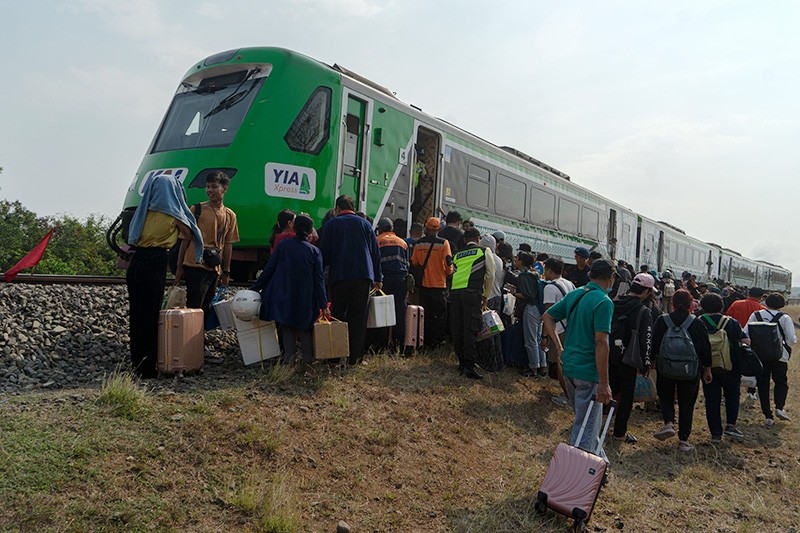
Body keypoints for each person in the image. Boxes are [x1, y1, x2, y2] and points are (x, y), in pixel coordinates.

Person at [126, 174, 203, 378]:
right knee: (151, 315)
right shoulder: (172, 213)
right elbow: (188, 233)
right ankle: (148, 369)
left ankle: (137, 363)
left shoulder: (144, 210)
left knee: (137, 314)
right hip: (155, 260)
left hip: (136, 262)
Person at [543, 259, 616, 454]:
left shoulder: (576, 294)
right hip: (588, 371)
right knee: (584, 432)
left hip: (569, 368)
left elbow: (548, 317)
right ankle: (577, 477)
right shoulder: (603, 302)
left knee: (586, 423)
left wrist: (559, 348)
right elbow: (601, 342)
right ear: (611, 278)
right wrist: (603, 382)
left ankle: (600, 470)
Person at [252, 215, 329, 371]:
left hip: (285, 293)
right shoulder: (315, 251)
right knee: (305, 327)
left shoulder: (283, 246)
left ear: (294, 228)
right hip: (306, 296)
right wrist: (323, 304)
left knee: (287, 325)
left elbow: (269, 269)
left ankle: (289, 361)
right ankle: (307, 363)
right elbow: (319, 280)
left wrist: (255, 288)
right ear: (309, 232)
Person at [175, 171, 240, 358]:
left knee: (204, 308)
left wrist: (226, 271)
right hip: (195, 265)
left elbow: (228, 245)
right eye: (208, 186)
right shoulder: (196, 210)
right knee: (194, 308)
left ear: (224, 189)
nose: (209, 190)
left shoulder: (230, 216)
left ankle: (196, 347)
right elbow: (184, 240)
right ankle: (189, 349)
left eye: (214, 187)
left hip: (214, 268)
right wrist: (179, 267)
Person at [318, 195, 382, 365]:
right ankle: (355, 358)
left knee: (338, 315)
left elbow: (324, 254)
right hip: (363, 277)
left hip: (339, 277)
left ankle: (334, 358)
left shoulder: (331, 225)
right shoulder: (366, 224)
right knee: (358, 318)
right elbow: (376, 253)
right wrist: (378, 277)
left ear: (337, 208)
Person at [651, 289, 712, 452]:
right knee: (687, 402)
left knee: (666, 396)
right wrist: (707, 369)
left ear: (673, 302)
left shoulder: (662, 320)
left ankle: (669, 422)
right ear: (691, 303)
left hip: (665, 367)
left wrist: (651, 362)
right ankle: (684, 440)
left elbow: (654, 343)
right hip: (690, 369)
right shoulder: (697, 322)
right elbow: (705, 348)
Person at [609, 273, 656, 444]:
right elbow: (647, 339)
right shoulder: (644, 311)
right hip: (628, 360)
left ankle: (595, 426)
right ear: (646, 292)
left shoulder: (613, 302)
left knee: (607, 391)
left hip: (607, 354)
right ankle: (619, 433)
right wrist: (645, 363)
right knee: (626, 397)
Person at [698, 293, 749, 443]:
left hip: (707, 368)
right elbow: (746, 340)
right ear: (722, 306)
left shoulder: (698, 322)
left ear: (702, 306)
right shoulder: (731, 322)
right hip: (730, 366)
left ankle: (715, 434)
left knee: (712, 400)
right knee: (732, 395)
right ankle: (731, 426)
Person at [449, 228, 496, 379]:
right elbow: (490, 274)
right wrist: (485, 295)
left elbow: (452, 273)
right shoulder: (484, 251)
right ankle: (469, 366)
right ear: (478, 238)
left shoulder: (457, 255)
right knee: (470, 329)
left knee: (458, 328)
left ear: (464, 240)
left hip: (455, 294)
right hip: (472, 294)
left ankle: (461, 362)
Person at [745, 292, 797, 426]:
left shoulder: (756, 315)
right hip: (780, 356)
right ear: (782, 304)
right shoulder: (785, 317)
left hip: (760, 355)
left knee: (763, 384)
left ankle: (768, 415)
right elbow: (791, 338)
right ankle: (779, 407)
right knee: (781, 381)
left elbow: (745, 333)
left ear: (766, 302)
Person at [410, 217, 453, 348]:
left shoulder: (419, 243)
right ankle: (437, 341)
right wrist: (449, 273)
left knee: (425, 314)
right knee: (439, 314)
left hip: (424, 284)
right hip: (439, 285)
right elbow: (448, 263)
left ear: (426, 228)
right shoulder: (444, 243)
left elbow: (414, 261)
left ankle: (424, 340)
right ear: (438, 229)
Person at [541, 257, 576, 407]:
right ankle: (572, 394)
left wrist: (544, 337)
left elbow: (549, 315)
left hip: (558, 331)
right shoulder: (570, 284)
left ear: (549, 270)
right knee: (569, 364)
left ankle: (568, 398)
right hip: (571, 329)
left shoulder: (549, 287)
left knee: (560, 365)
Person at [376, 217, 410, 347]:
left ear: (380, 229)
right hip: (401, 280)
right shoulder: (402, 242)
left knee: (382, 312)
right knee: (399, 313)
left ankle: (382, 344)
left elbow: (375, 263)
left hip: (384, 281)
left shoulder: (377, 241)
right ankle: (398, 345)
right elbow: (407, 264)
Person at [476, 233, 505, 371]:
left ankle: (488, 364)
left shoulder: (485, 257)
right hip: (497, 297)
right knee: (495, 331)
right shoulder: (499, 260)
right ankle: (499, 362)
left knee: (485, 333)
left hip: (487, 297)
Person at [515, 252, 545, 377]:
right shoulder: (535, 274)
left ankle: (533, 368)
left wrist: (513, 293)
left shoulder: (523, 276)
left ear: (521, 262)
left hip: (530, 308)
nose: (515, 261)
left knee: (530, 340)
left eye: (517, 259)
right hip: (539, 308)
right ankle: (542, 367)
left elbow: (527, 295)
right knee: (538, 339)